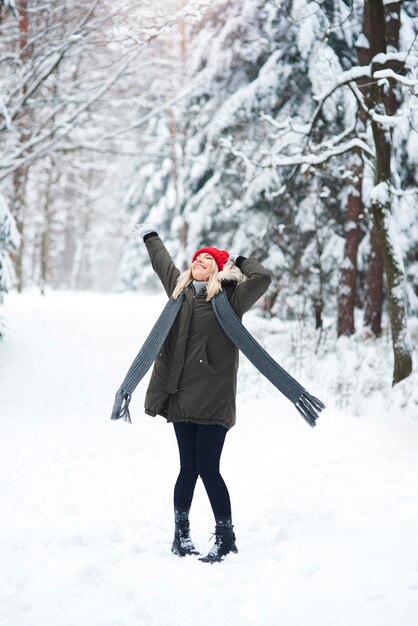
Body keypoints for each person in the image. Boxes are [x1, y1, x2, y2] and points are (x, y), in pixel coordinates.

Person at [134, 224, 271, 563]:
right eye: (197, 258)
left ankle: (226, 538)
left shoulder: (230, 299)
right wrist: (151, 237)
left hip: (213, 398)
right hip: (180, 396)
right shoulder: (180, 294)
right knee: (187, 469)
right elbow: (163, 263)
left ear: (218, 269)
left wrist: (237, 260)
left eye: (209, 259)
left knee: (209, 468)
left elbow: (263, 277)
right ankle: (181, 536)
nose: (200, 261)